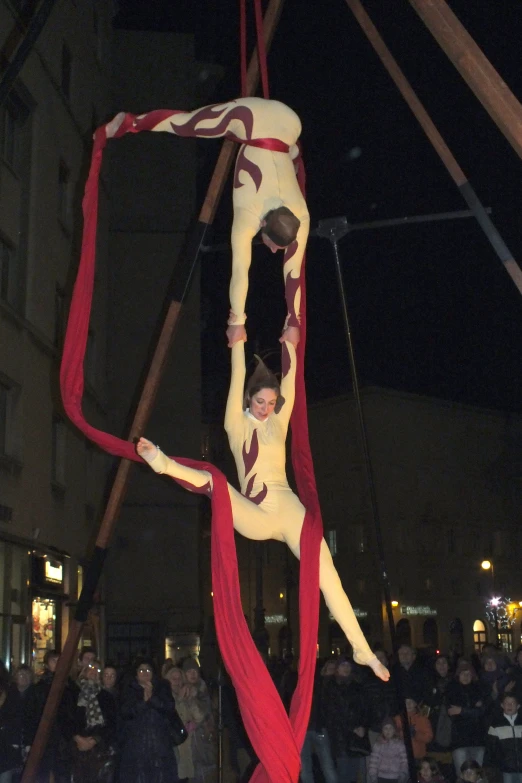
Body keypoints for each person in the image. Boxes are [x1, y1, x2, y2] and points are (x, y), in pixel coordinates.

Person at [136, 339, 389, 682]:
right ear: (247, 399)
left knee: (327, 574)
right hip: (253, 511)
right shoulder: (235, 424)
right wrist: (238, 339)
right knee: (218, 484)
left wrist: (293, 345)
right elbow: (237, 371)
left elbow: (292, 380)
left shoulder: (278, 422)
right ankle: (162, 462)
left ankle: (362, 649)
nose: (267, 408)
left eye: (271, 402)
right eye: (260, 402)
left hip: (288, 508)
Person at [105, 97, 309, 348]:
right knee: (186, 124)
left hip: (290, 121)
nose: (274, 251)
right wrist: (236, 323)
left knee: (289, 151)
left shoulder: (300, 214)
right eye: (273, 244)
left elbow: (293, 269)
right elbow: (240, 270)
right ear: (263, 224)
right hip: (250, 119)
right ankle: (128, 122)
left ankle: (291, 150)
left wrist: (293, 322)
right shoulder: (249, 214)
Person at [118, 659, 181, 782]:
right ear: (136, 673)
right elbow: (125, 712)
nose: (145, 673)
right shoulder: (128, 689)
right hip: (135, 748)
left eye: (148, 670)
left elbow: (169, 708)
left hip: (160, 747)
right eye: (141, 670)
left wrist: (152, 698)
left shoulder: (163, 687)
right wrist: (144, 703)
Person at [62, 658, 117, 782]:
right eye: (91, 668)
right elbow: (65, 718)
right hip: (75, 749)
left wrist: (94, 740)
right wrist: (77, 738)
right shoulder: (72, 693)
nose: (93, 672)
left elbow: (111, 723)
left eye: (97, 670)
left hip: (98, 751)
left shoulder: (105, 696)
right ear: (84, 671)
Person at [323, 657, 369, 782]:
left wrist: (363, 726)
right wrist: (352, 728)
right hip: (340, 737)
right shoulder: (331, 687)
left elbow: (364, 708)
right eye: (342, 665)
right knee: (343, 771)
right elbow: (332, 713)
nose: (346, 668)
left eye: (348, 665)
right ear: (337, 668)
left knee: (354, 772)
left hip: (356, 737)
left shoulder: (357, 686)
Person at [446, 660, 486, 775]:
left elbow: (482, 712)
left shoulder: (479, 689)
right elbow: (452, 712)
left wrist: (462, 710)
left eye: (469, 674)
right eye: (463, 673)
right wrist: (472, 710)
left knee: (477, 776)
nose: (466, 676)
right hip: (460, 740)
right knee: (462, 775)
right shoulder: (451, 690)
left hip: (478, 739)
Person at [300, 662, 338, 783]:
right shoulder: (316, 684)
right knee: (307, 767)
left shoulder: (325, 684)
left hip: (317, 727)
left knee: (326, 765)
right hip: (307, 728)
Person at [165, 666, 203, 782]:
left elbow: (199, 717)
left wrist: (190, 700)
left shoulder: (187, 696)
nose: (177, 682)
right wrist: (179, 700)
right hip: (174, 748)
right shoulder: (165, 698)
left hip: (189, 748)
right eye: (173, 679)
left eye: (179, 679)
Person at [484, 693, 522, 783]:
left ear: (518, 706)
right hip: (504, 769)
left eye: (513, 703)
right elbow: (491, 749)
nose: (509, 705)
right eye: (506, 703)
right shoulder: (495, 725)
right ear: (502, 705)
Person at [367, 718, 408, 783]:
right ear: (382, 730)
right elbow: (373, 761)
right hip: (381, 777)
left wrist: (403, 774)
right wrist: (373, 776)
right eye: (385, 728)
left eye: (390, 728)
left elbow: (404, 761)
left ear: (394, 730)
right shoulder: (378, 745)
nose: (388, 731)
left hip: (396, 777)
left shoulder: (400, 745)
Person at [394, 694, 433, 759]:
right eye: (406, 702)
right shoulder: (397, 719)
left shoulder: (423, 719)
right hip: (401, 757)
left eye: (411, 702)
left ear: (415, 704)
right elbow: (392, 736)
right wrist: (402, 733)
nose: (408, 704)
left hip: (418, 756)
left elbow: (429, 737)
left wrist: (416, 734)